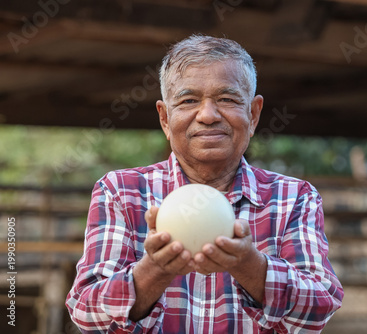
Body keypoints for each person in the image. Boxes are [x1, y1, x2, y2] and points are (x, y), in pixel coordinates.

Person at [66, 35, 343, 333]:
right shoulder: (121, 192)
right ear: (164, 118)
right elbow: (86, 311)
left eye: (227, 99)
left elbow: (320, 307)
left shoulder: (294, 198)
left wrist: (250, 264)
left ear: (252, 114)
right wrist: (154, 270)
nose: (208, 115)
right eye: (188, 101)